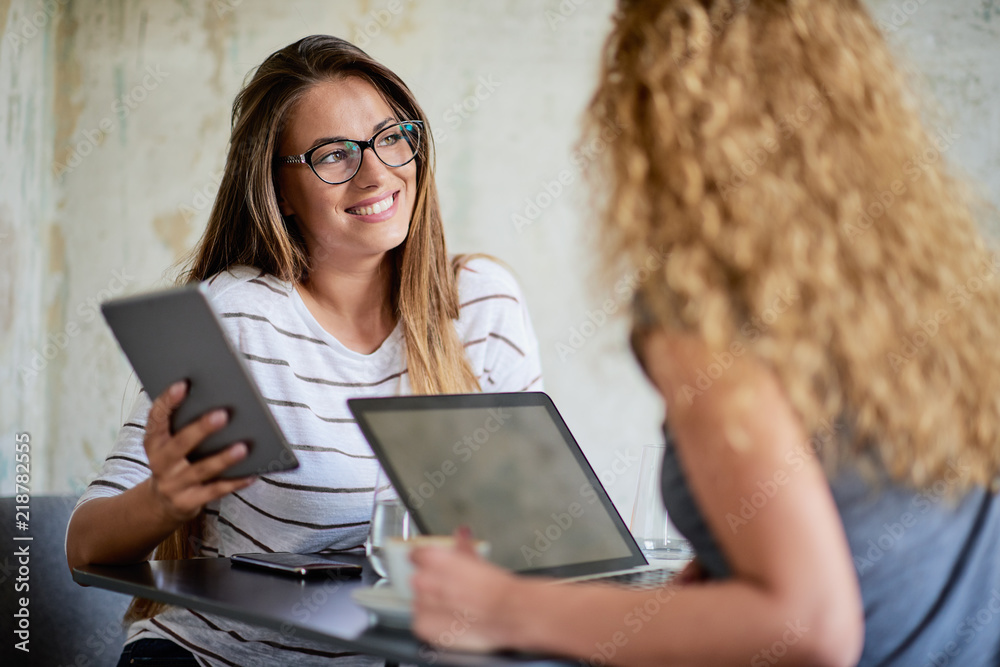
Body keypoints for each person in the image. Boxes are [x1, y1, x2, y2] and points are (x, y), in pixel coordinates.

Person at [409, 1, 1000, 665]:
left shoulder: (702, 307)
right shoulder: (932, 272)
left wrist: (500, 605)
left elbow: (810, 625)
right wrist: (728, 577)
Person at [66, 35, 542, 667]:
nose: (377, 172)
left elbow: (533, 531)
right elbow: (84, 547)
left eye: (392, 137)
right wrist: (164, 501)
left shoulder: (483, 304)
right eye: (333, 155)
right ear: (278, 190)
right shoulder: (237, 314)